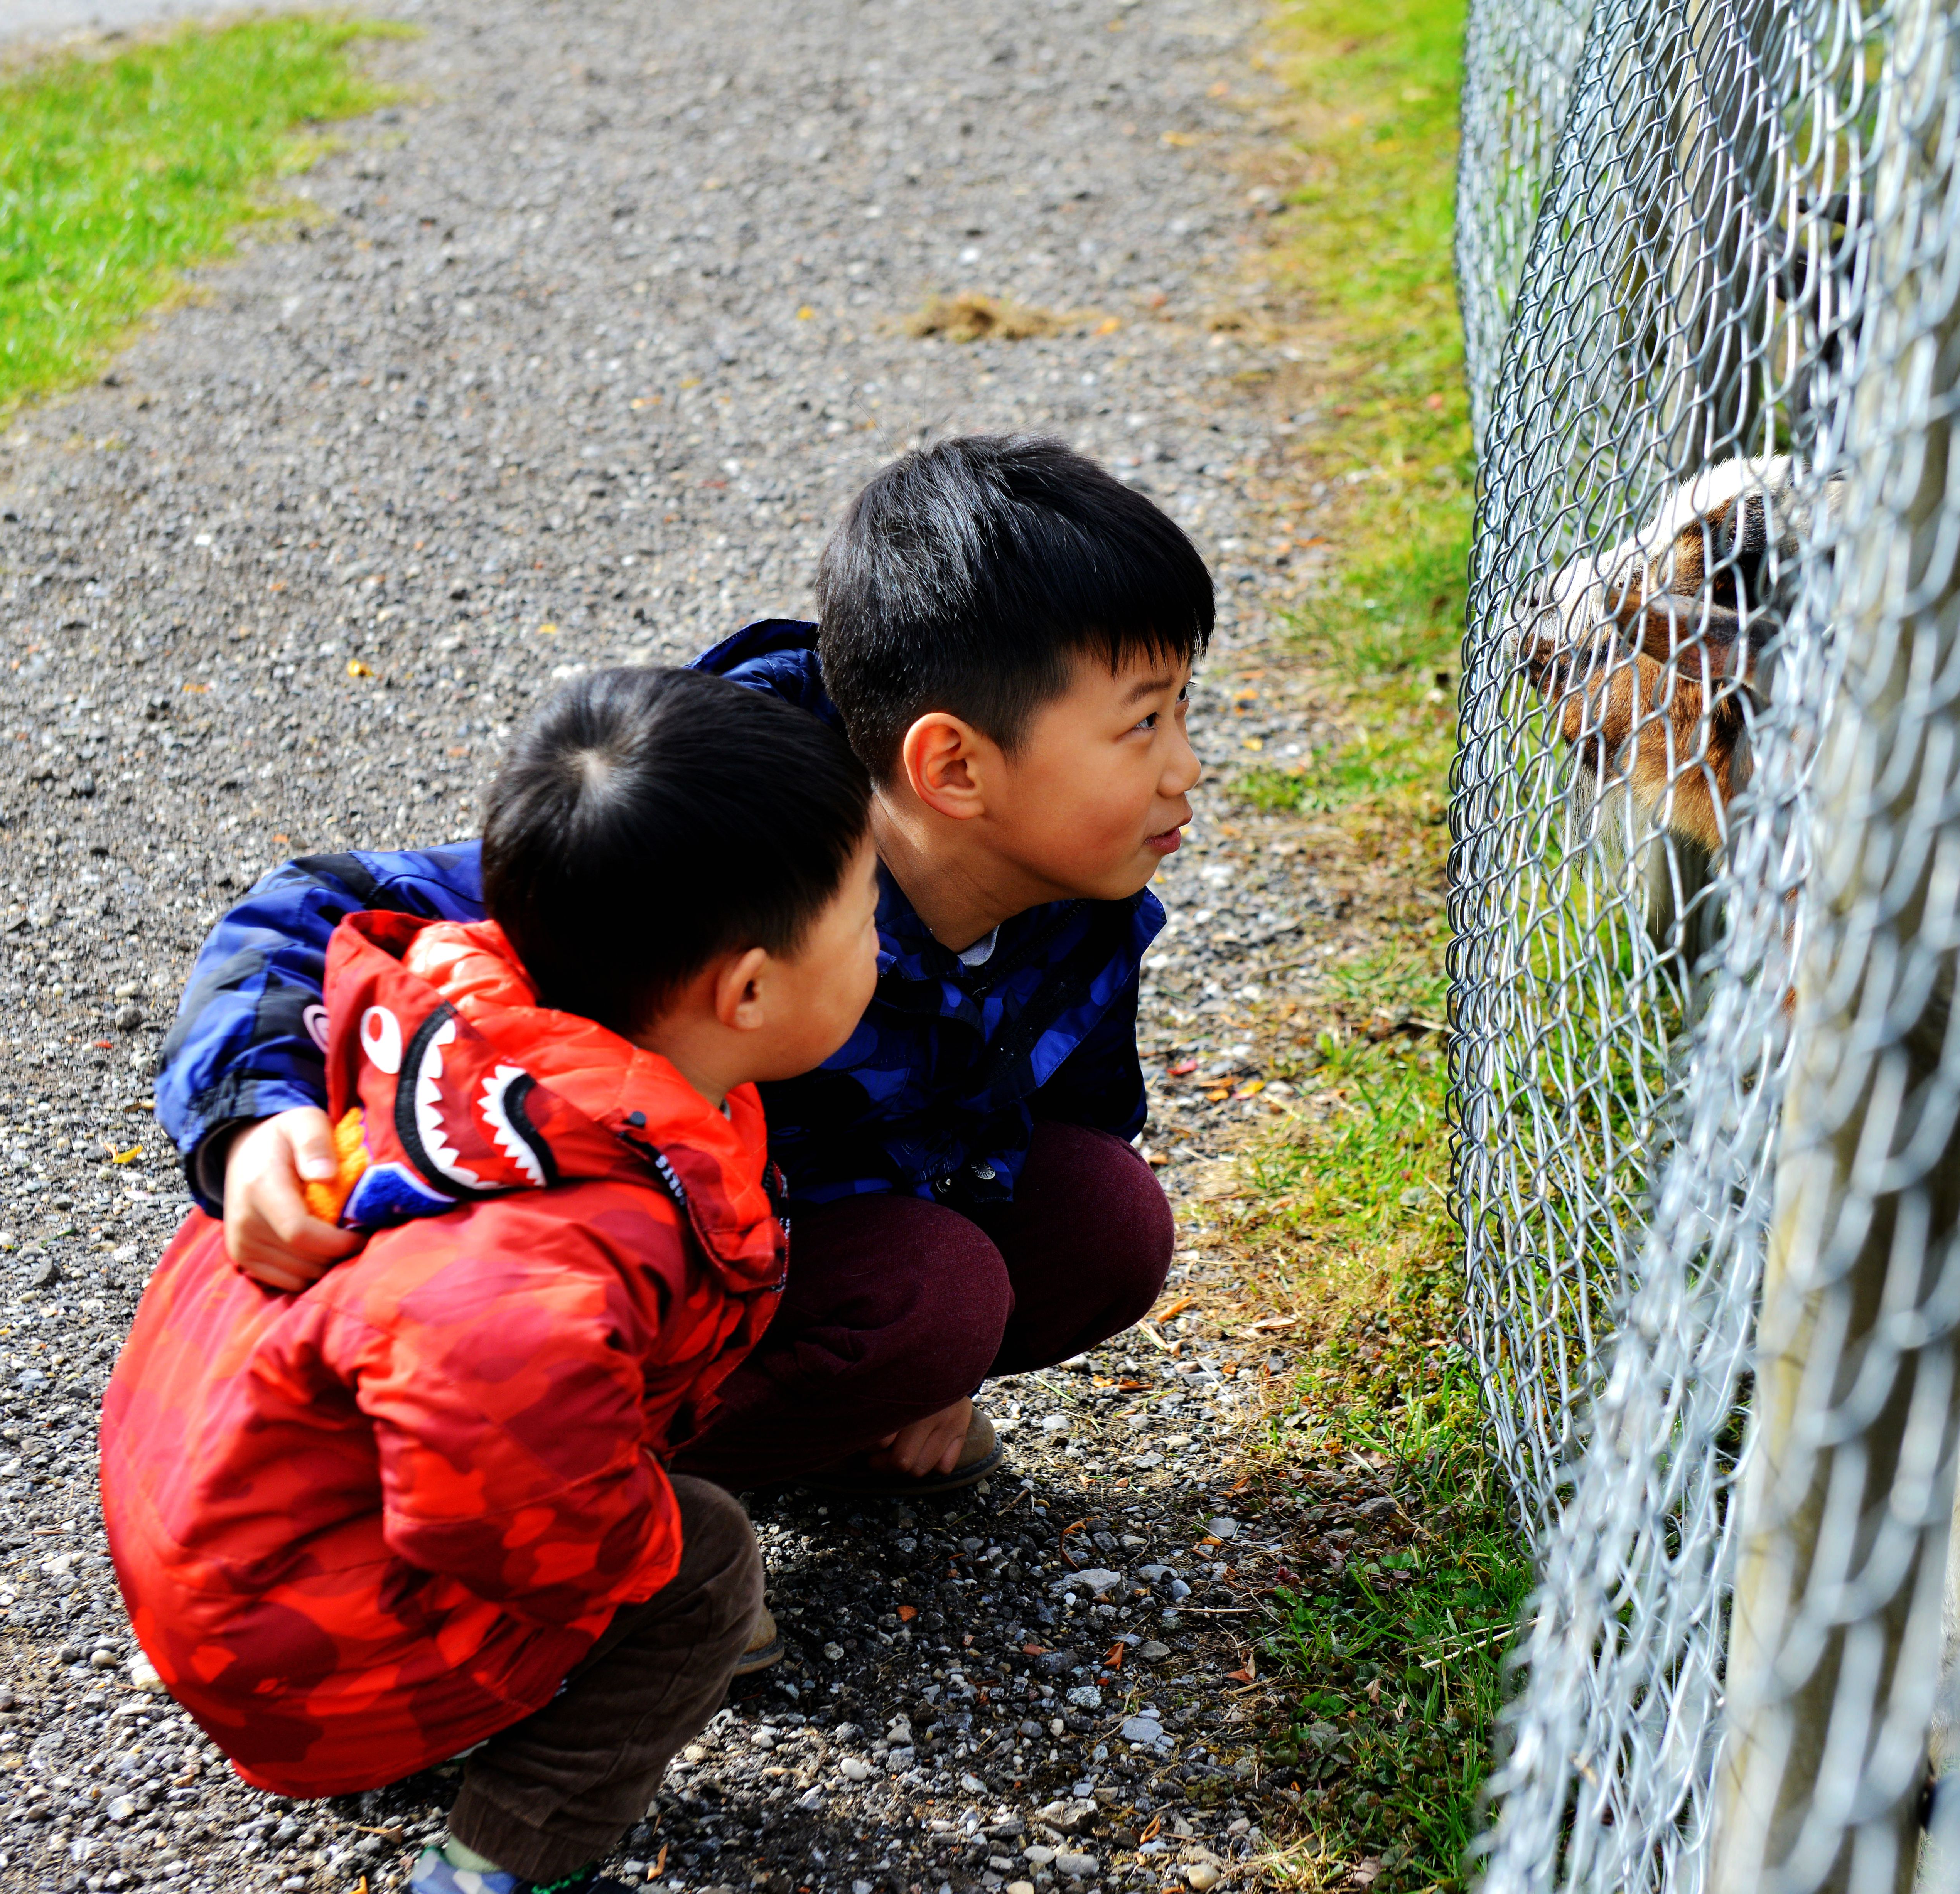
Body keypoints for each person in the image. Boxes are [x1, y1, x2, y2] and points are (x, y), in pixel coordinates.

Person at [151, 433, 1204, 1494]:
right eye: (1144, 723)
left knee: (1102, 1223)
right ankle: (585, 1495)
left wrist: (936, 1372)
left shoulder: (1078, 900)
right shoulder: (720, 842)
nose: (1186, 768)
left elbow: (1056, 1123)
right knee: (937, 1295)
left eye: (1183, 710)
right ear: (954, 766)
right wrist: (257, 1118)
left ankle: (794, 1433)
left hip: (794, 1234)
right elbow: (315, 907)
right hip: (598, 1259)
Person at [102, 667, 879, 1894]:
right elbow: (493, 1497)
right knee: (707, 1570)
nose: (878, 945)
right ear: (747, 990)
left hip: (217, 1524)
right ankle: (500, 1858)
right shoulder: (561, 1225)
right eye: (864, 920)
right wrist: (629, 1548)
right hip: (287, 1640)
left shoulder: (459, 1023)